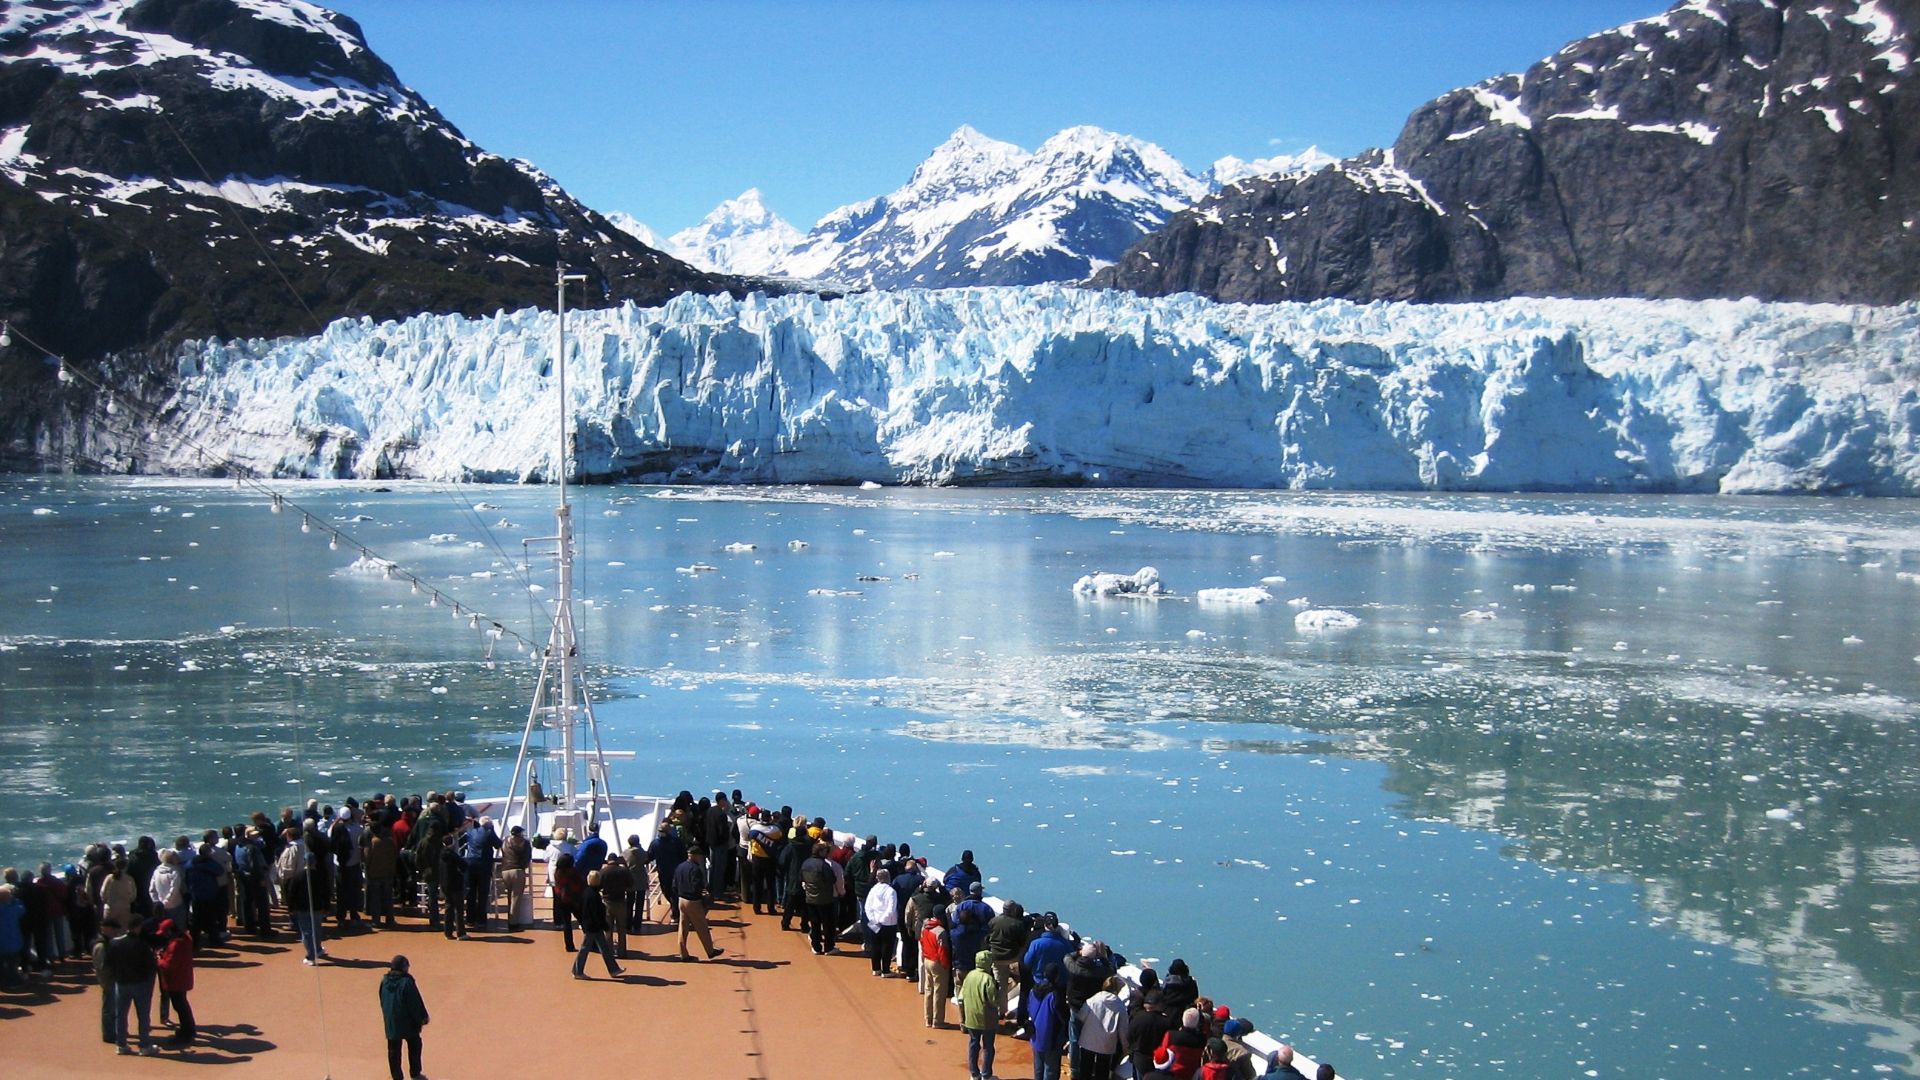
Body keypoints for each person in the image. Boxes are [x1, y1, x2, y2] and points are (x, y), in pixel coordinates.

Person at [103, 915, 158, 1055]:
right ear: (138, 927)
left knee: (121, 1015)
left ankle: (121, 1045)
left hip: (121, 983)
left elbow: (107, 964)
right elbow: (150, 966)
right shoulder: (142, 944)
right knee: (143, 1015)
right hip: (140, 984)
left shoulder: (114, 943)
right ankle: (144, 1045)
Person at [379, 954, 430, 1080]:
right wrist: (422, 1017)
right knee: (415, 1044)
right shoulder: (407, 982)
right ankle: (415, 1073)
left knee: (393, 1050)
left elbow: (382, 998)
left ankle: (396, 1077)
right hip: (407, 1022)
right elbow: (415, 1003)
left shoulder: (384, 981)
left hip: (391, 1021)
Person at [671, 847, 724, 961]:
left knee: (683, 927)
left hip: (681, 900)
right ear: (695, 855)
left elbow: (674, 885)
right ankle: (710, 951)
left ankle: (683, 953)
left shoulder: (680, 867)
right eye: (700, 855)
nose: (701, 858)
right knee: (702, 927)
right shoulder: (695, 869)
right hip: (693, 901)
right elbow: (696, 886)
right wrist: (703, 897)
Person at [571, 870, 625, 979]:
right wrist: (605, 926)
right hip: (593, 926)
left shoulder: (585, 893)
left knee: (602, 948)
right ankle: (577, 971)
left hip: (590, 925)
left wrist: (581, 921)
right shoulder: (594, 896)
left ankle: (613, 969)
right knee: (586, 948)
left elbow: (579, 909)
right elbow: (597, 914)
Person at [959, 948, 1002, 1080]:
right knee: (988, 1046)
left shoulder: (969, 976)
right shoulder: (988, 979)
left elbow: (961, 998)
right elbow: (994, 1001)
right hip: (987, 1018)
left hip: (971, 1018)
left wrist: (963, 1017)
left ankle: (974, 1073)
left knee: (973, 1044)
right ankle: (986, 1074)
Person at [1077, 974, 1130, 1080]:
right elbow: (1123, 1030)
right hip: (1107, 1044)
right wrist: (1126, 1048)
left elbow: (1081, 1016)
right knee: (1102, 1073)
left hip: (1088, 1040)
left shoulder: (1094, 999)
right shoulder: (1120, 1005)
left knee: (1085, 1071)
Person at [155, 919, 196, 1047]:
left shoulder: (176, 944)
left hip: (176, 980)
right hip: (182, 978)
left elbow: (168, 965)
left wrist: (158, 959)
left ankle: (187, 1032)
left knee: (180, 1006)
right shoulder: (186, 939)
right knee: (182, 1005)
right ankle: (188, 1030)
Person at [1028, 962, 1068, 1080]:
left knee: (1038, 1066)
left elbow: (1029, 1007)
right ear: (1056, 976)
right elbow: (1063, 1016)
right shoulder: (1055, 995)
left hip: (1035, 1032)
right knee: (1050, 1068)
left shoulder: (1033, 990)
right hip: (1051, 1036)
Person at [798, 841, 837, 955]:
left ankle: (816, 947)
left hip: (810, 898)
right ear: (820, 852)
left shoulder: (805, 863)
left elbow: (801, 877)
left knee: (815, 924)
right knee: (828, 925)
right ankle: (829, 947)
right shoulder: (823, 866)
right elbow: (832, 879)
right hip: (825, 899)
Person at [862, 866, 900, 976]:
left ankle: (876, 968)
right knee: (887, 947)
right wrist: (882, 920)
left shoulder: (873, 889)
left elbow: (867, 906)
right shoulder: (891, 891)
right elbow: (891, 909)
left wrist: (874, 920)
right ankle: (885, 970)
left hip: (874, 922)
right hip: (888, 924)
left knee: (875, 946)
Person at [919, 913, 953, 1029]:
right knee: (939, 992)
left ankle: (928, 1018)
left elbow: (922, 943)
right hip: (937, 963)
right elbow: (942, 950)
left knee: (929, 990)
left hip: (927, 960)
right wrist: (946, 965)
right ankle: (937, 1020)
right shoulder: (940, 931)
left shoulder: (925, 927)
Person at [500, 825, 533, 931]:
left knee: (509, 896)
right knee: (516, 898)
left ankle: (509, 920)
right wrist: (524, 866)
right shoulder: (524, 842)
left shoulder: (505, 841)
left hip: (505, 870)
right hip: (517, 870)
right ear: (519, 833)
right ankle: (513, 923)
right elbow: (527, 857)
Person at [548, 851, 582, 952]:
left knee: (567, 924)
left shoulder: (557, 872)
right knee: (583, 920)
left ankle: (569, 945)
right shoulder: (573, 872)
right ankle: (592, 942)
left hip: (561, 899)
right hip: (573, 899)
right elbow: (578, 884)